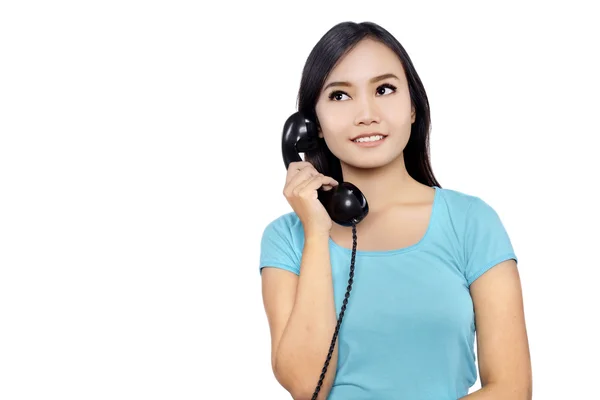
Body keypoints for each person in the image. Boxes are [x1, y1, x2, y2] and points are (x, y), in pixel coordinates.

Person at [258, 21, 532, 400]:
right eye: (340, 96)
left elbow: (513, 389)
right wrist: (317, 233)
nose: (366, 113)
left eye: (384, 89)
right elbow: (308, 386)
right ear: (311, 126)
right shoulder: (287, 238)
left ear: (414, 108)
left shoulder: (472, 222)